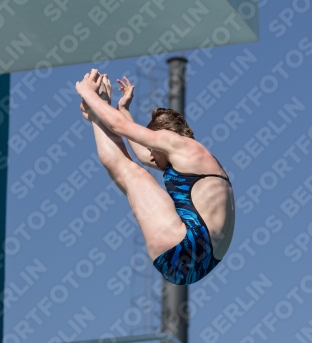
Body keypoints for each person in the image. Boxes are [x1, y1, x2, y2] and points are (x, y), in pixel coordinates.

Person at [76, 69, 235, 286]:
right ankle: (97, 118)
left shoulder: (177, 143)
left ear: (163, 136)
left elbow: (119, 128)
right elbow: (142, 154)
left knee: (129, 174)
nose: (150, 154)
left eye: (153, 147)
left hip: (185, 247)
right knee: (132, 175)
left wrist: (89, 94)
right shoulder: (193, 160)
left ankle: (97, 115)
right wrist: (123, 109)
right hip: (202, 262)